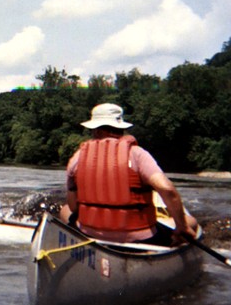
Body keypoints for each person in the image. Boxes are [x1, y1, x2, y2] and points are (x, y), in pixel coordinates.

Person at [59, 103, 199, 246]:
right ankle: (167, 249)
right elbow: (168, 190)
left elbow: (73, 207)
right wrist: (181, 226)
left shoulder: (78, 157)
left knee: (65, 210)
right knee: (191, 223)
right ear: (121, 129)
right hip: (140, 238)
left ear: (96, 131)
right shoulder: (137, 154)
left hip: (89, 234)